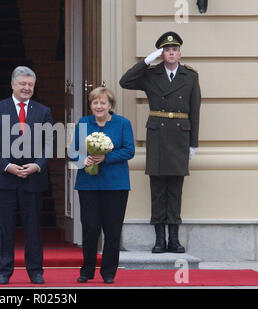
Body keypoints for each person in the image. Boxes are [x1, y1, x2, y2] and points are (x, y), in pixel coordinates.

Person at [119, 31, 201, 253]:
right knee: (157, 190)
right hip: (158, 136)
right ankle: (159, 240)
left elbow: (195, 110)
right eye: (166, 50)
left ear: (179, 53)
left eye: (174, 50)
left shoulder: (190, 76)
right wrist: (145, 61)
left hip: (180, 136)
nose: (171, 53)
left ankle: (173, 239)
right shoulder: (151, 74)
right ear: (161, 54)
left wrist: (193, 143)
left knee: (175, 190)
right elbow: (125, 82)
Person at [0, 66, 53, 284]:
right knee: (5, 227)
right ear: (13, 84)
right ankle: (3, 270)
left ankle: (36, 271)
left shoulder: (43, 111)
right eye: (22, 84)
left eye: (30, 84)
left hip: (33, 178)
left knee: (33, 227)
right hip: (5, 178)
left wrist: (37, 165)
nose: (26, 88)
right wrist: (7, 166)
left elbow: (50, 144)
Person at [70, 87, 135, 284]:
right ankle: (87, 270)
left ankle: (108, 272)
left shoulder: (123, 123)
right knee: (90, 229)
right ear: (91, 105)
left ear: (110, 105)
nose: (99, 106)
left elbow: (129, 150)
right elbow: (73, 152)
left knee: (112, 230)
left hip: (116, 185)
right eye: (95, 103)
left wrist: (105, 157)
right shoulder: (83, 123)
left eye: (103, 103)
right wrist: (84, 159)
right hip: (88, 184)